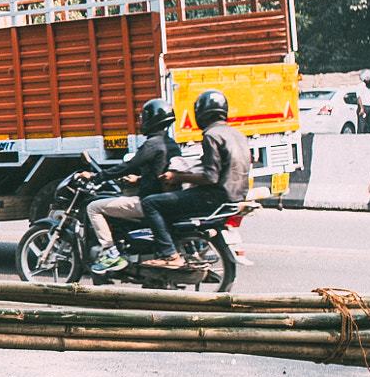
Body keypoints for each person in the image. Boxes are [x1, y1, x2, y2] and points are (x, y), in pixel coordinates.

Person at [140, 89, 250, 269]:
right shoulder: (237, 134)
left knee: (151, 203)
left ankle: (170, 254)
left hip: (213, 196)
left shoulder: (211, 135)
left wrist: (177, 176)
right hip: (235, 196)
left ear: (201, 112)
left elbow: (210, 177)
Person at [73, 98, 180, 275]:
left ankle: (111, 253)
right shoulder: (171, 144)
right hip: (164, 198)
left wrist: (96, 176)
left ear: (150, 120)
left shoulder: (152, 144)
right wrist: (138, 180)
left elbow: (127, 166)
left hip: (147, 201)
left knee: (93, 207)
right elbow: (159, 173)